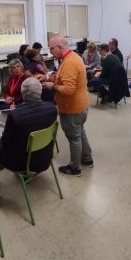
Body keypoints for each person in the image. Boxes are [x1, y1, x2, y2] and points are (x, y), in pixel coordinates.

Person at [42, 34, 93, 176]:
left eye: (52, 48)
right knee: (79, 132)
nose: (50, 51)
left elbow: (68, 90)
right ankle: (87, 158)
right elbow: (62, 77)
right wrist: (47, 77)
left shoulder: (69, 63)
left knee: (74, 138)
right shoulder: (72, 57)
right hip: (80, 105)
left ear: (60, 47)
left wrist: (53, 86)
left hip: (72, 108)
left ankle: (75, 167)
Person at [0, 77, 58, 171]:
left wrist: (15, 112)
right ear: (40, 92)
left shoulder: (15, 115)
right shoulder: (52, 108)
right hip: (45, 158)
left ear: (22, 94)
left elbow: (5, 142)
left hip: (21, 163)